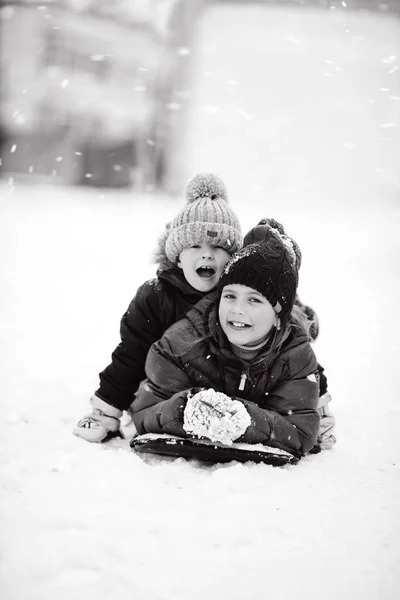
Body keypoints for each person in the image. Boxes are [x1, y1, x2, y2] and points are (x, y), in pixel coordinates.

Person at [73, 172, 243, 442]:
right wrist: (106, 409)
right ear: (177, 257)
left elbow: (286, 343)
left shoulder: (239, 296)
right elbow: (131, 356)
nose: (207, 254)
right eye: (195, 245)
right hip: (167, 390)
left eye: (219, 247)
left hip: (228, 393)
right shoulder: (156, 297)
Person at [129, 223, 321, 458]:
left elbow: (299, 432)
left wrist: (244, 419)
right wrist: (186, 408)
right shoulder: (182, 344)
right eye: (230, 296)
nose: (237, 309)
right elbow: (146, 411)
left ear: (278, 317)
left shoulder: (295, 356)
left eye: (254, 300)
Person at [243, 218, 336, 452]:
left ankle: (319, 414)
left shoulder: (290, 307)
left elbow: (309, 328)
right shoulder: (240, 293)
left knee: (310, 374)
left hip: (284, 359)